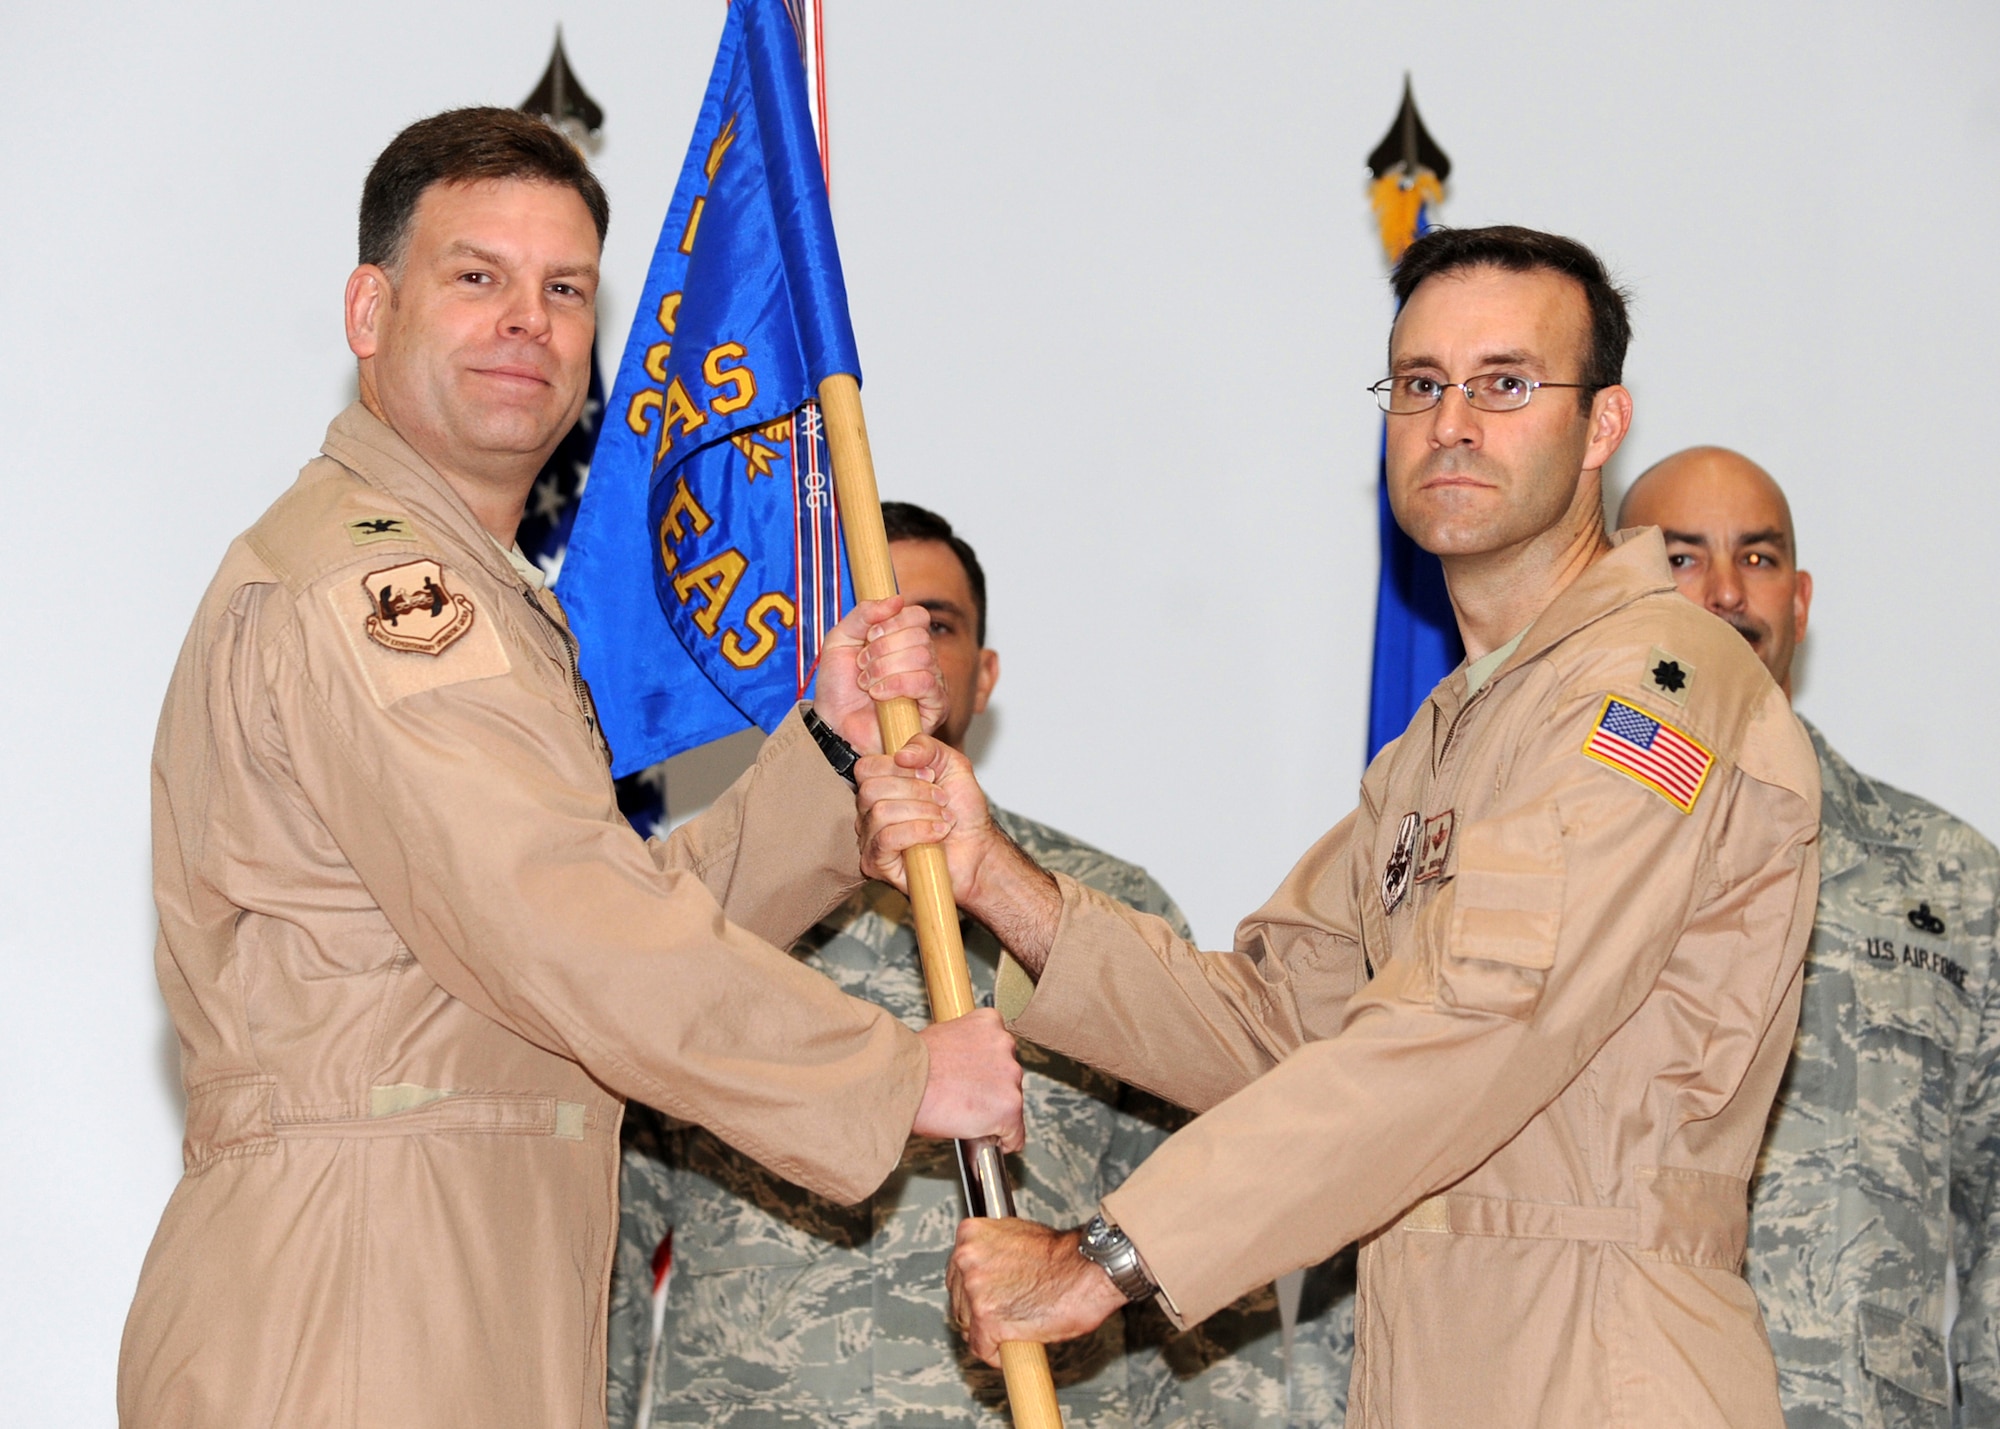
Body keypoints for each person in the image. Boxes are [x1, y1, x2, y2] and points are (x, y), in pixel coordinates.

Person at [118, 108, 1025, 1429]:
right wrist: (891, 1073)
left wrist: (825, 755)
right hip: (362, 1296)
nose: (526, 323)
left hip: (454, 1268)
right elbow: (560, 922)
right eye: (475, 277)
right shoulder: (382, 587)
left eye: (562, 292)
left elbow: (584, 927)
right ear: (370, 310)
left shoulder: (473, 592)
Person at [859, 225, 1825, 1428]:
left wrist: (1109, 1257)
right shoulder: (1450, 734)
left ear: (1602, 425)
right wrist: (995, 877)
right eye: (1419, 385)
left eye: (1504, 384)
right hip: (1434, 1356)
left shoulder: (1651, 683)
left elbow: (1474, 1025)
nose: (1451, 423)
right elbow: (1275, 1024)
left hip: (1602, 1357)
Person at [607, 501, 1311, 1429]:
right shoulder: (717, 914)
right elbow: (607, 1228)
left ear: (984, 673)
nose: (901, 655)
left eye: (934, 624)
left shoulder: (1097, 916)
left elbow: (1207, 1227)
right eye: (870, 624)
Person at [1621, 447, 2000, 1429]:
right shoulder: (1543, 849)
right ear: (1608, 587)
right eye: (1678, 558)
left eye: (1754, 559)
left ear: (1798, 596)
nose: (1720, 592)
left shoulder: (1944, 877)